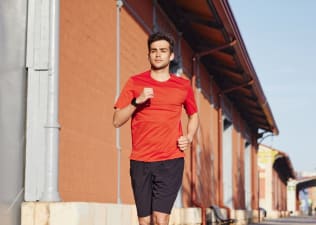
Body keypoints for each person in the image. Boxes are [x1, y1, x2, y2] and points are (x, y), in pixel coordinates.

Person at [113, 31, 199, 225]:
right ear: (149, 55)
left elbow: (193, 115)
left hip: (171, 160)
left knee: (160, 220)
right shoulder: (135, 82)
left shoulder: (183, 86)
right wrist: (137, 101)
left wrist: (190, 136)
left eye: (162, 51)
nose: (158, 54)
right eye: (153, 51)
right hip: (140, 161)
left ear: (171, 56)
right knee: (144, 221)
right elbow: (117, 120)